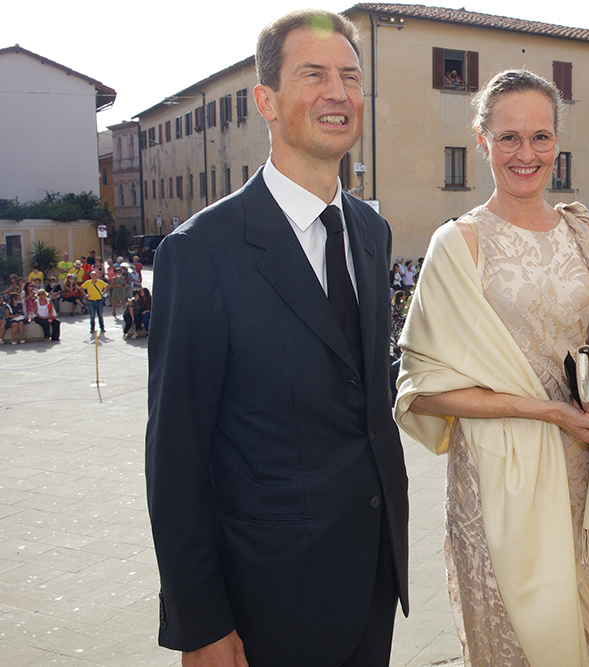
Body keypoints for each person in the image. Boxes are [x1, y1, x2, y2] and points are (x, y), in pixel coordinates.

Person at [145, 10, 408, 667]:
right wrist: (199, 621)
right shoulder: (200, 252)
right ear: (265, 100)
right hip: (267, 600)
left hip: (374, 579)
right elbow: (174, 456)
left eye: (351, 77)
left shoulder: (372, 236)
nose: (339, 93)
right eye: (313, 74)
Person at [395, 69, 589, 667]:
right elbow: (420, 390)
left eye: (540, 136)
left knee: (588, 637)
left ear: (558, 141)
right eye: (508, 138)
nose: (525, 154)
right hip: (497, 475)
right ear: (481, 140)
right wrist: (547, 410)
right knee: (513, 641)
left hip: (583, 468)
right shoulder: (459, 243)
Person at [81, 270, 108, 335]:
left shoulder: (100, 282)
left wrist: (103, 293)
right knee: (92, 315)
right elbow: (81, 288)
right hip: (91, 300)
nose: (94, 277)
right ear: (90, 276)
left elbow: (107, 286)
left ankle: (102, 327)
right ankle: (92, 328)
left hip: (99, 300)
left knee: (100, 315)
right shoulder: (87, 282)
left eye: (95, 275)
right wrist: (85, 295)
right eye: (92, 275)